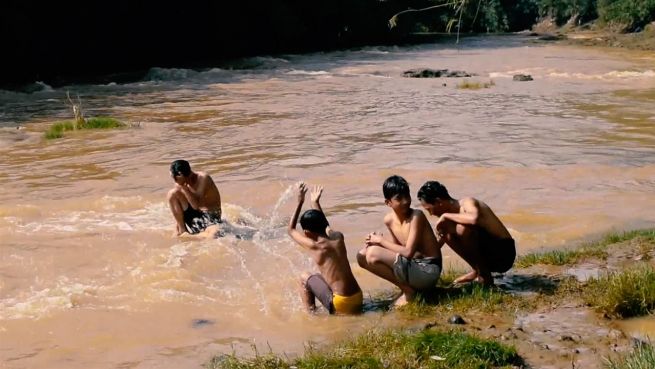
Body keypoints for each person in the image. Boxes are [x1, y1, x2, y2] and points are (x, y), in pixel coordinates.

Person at [357, 175, 442, 306]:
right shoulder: (389, 220)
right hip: (413, 267)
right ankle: (407, 289)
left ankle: (409, 292)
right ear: (388, 203)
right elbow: (396, 250)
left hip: (428, 271)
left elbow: (408, 252)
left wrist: (380, 241)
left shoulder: (416, 216)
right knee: (362, 255)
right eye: (399, 198)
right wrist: (375, 243)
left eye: (407, 196)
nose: (405, 201)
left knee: (373, 253)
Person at [417, 180, 516, 286]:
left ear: (438, 202)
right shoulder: (448, 221)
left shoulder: (467, 202)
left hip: (504, 253)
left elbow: (474, 219)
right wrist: (419, 258)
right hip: (489, 256)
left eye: (429, 210)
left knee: (463, 227)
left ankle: (484, 275)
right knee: (444, 231)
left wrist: (445, 216)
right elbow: (437, 244)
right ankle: (477, 270)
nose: (431, 214)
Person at [287, 182, 363, 315]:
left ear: (307, 232)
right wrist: (315, 202)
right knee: (317, 276)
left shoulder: (315, 246)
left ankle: (311, 315)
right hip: (358, 297)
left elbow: (291, 230)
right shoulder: (338, 237)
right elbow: (326, 225)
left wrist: (300, 202)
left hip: (341, 304)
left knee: (304, 277)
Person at [167, 159, 222, 236]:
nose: (174, 180)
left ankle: (197, 236)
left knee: (214, 234)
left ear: (181, 175)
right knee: (172, 193)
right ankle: (183, 230)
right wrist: (178, 226)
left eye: (174, 177)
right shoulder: (180, 182)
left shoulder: (203, 178)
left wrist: (185, 189)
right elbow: (179, 207)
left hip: (211, 217)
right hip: (194, 217)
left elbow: (197, 205)